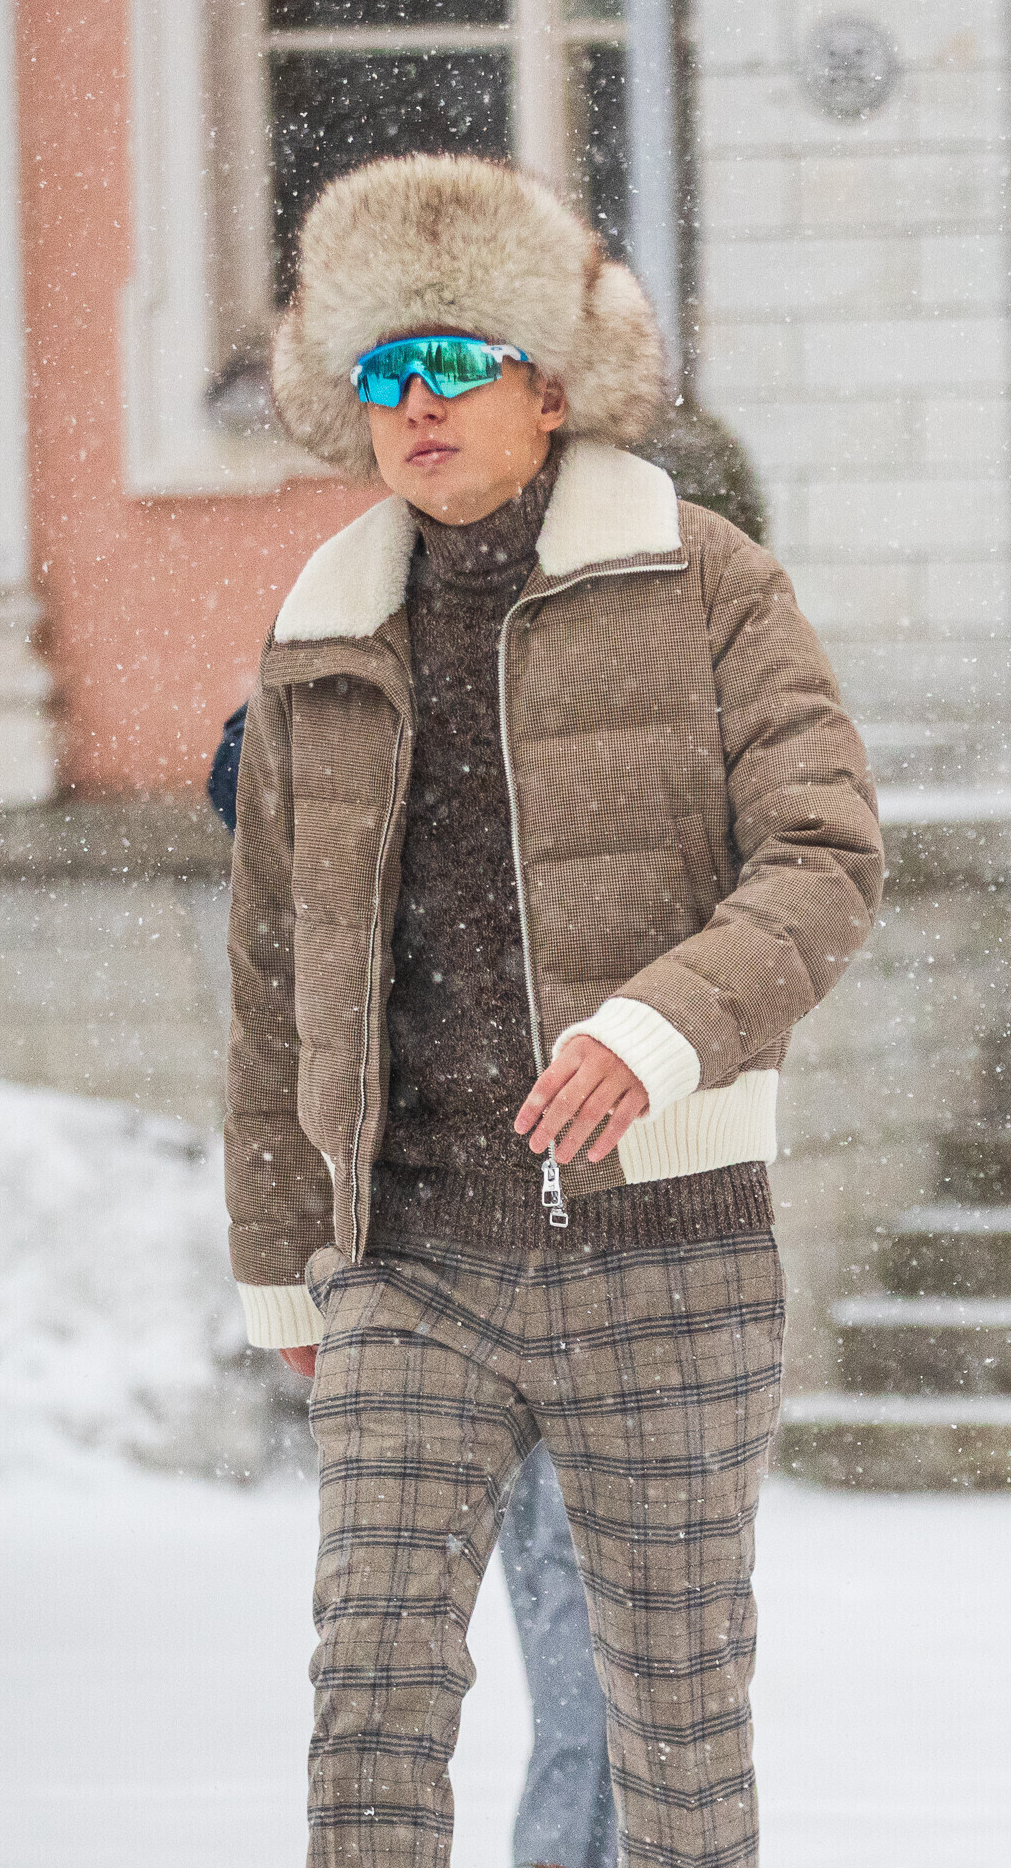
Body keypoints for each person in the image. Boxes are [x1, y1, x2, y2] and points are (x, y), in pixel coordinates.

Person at [224, 153, 884, 1866]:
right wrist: (280, 1249)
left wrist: (657, 1031)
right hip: (411, 1255)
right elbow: (275, 970)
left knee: (673, 1726)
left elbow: (823, 857)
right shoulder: (320, 627)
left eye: (456, 363)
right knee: (370, 1690)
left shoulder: (706, 580)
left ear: (553, 387)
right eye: (384, 370)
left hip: (663, 1247)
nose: (417, 404)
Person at [214, 721, 618, 1868]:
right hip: (419, 1269)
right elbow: (275, 1075)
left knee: (587, 1615)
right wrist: (291, 1268)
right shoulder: (335, 763)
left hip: (580, 1251)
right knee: (425, 1639)